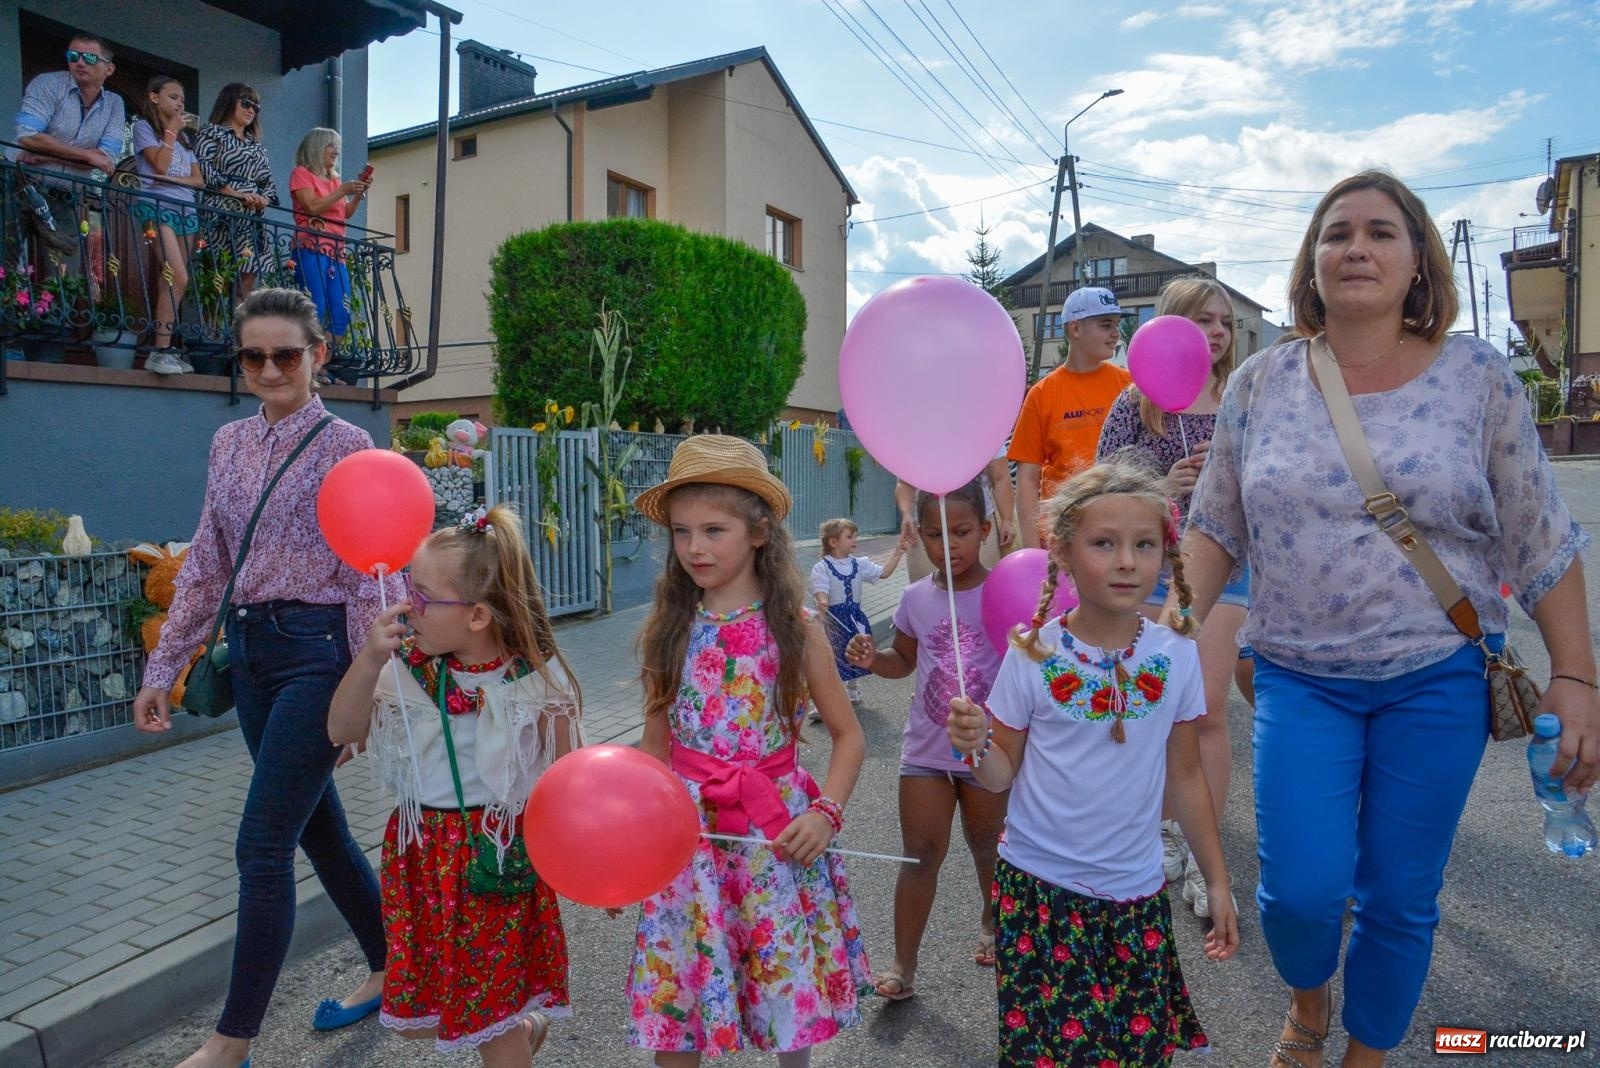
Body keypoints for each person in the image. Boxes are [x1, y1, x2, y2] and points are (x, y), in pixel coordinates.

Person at [1175, 169, 1599, 1068]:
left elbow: (1541, 536)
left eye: (1379, 232)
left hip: (1437, 675)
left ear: (1417, 264)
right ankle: (1308, 1008)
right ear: (1312, 262)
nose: (1356, 248)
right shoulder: (1260, 382)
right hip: (1297, 674)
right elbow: (1216, 525)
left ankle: (1367, 1052)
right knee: (1300, 892)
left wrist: (1576, 675)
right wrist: (1152, 639)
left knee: (1400, 895)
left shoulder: (1477, 377)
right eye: (1336, 234)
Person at [131, 288, 397, 1068]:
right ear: (241, 361)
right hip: (248, 656)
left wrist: (364, 699)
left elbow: (370, 577)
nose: (272, 368)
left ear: (319, 355)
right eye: (255, 355)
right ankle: (393, 967)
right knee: (321, 832)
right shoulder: (228, 445)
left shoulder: (349, 445)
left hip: (319, 656)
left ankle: (231, 1041)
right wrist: (165, 666)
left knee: (262, 844)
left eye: (288, 353)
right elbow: (208, 561)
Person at [947, 457, 1239, 1067]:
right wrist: (976, 747)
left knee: (1133, 1055)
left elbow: (1186, 778)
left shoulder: (1176, 654)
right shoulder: (1032, 655)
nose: (1127, 561)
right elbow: (1003, 773)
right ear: (1064, 552)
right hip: (1040, 893)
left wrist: (1217, 879)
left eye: (1144, 544)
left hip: (1136, 896)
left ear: (1167, 553)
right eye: (1104, 544)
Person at [628, 435, 872, 1065]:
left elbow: (849, 736)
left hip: (774, 834)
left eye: (714, 529)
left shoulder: (794, 625)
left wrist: (826, 813)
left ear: (759, 532)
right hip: (689, 841)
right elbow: (655, 747)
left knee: (784, 992)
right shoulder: (670, 631)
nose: (695, 548)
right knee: (680, 994)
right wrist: (630, 850)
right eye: (682, 533)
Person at [328, 504, 579, 1065]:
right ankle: (524, 1025)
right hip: (424, 856)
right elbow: (341, 729)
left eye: (422, 596)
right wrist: (369, 658)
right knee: (439, 1013)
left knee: (489, 1016)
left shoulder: (536, 680)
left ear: (477, 617)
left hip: (500, 854)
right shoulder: (408, 670)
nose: (406, 606)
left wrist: (592, 869)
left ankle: (514, 1032)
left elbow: (571, 784)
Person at [1095, 275, 1248, 919]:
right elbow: (1100, 492)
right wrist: (1164, 481)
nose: (1217, 332)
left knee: (1207, 707)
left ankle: (1203, 851)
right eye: (1204, 320)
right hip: (1148, 570)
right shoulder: (1136, 403)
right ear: (1173, 325)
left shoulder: (1246, 397)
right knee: (1153, 707)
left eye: (1226, 322)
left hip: (1227, 569)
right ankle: (1158, 830)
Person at [843, 478, 1008, 999]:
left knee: (989, 848)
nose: (948, 545)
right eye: (935, 535)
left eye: (961, 532)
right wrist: (874, 660)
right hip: (926, 751)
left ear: (984, 530)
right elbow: (904, 661)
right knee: (919, 853)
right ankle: (903, 965)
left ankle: (994, 922)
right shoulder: (914, 597)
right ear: (920, 536)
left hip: (989, 752)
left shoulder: (1006, 590)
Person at [1010, 286, 1132, 549]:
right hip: (1064, 535)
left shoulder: (1130, 385)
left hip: (1122, 530)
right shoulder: (1041, 394)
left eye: (1117, 325)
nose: (1116, 334)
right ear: (1075, 329)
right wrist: (1033, 550)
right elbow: (1027, 478)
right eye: (1106, 324)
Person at [9, 32, 124, 266]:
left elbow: (107, 157)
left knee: (65, 275)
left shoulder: (114, 104)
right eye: (73, 56)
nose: (80, 62)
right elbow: (28, 136)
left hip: (65, 197)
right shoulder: (48, 84)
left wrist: (46, 152)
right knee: (5, 263)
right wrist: (87, 155)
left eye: (90, 58)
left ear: (108, 69)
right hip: (19, 184)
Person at [131, 75, 205, 372]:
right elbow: (158, 164)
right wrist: (171, 131)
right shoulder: (143, 128)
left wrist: (171, 177)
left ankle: (163, 350)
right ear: (154, 97)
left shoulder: (187, 139)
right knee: (178, 276)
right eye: (173, 97)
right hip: (158, 207)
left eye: (182, 100)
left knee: (170, 280)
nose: (180, 104)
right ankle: (160, 350)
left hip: (186, 210)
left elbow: (198, 180)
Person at [810, 516, 909, 704]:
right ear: (833, 542)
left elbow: (884, 573)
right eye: (850, 537)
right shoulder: (821, 568)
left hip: (856, 618)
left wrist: (898, 552)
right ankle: (828, 701)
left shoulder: (859, 564)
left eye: (855, 536)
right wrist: (822, 602)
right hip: (833, 619)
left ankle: (853, 689)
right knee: (832, 657)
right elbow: (820, 591)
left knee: (856, 653)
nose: (855, 540)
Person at [289, 127, 368, 347]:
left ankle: (322, 364)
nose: (336, 151)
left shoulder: (334, 181)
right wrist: (342, 191)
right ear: (316, 147)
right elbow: (312, 206)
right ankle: (311, 365)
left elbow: (343, 213)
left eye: (338, 147)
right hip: (311, 248)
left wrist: (357, 196)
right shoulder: (301, 174)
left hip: (336, 252)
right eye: (331, 146)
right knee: (316, 306)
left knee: (341, 312)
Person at [195, 83, 275, 298]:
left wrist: (264, 199)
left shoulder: (256, 145)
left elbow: (267, 181)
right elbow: (202, 165)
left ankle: (237, 330)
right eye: (246, 103)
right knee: (217, 282)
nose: (251, 110)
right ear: (230, 101)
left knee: (246, 280)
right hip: (220, 212)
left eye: (256, 107)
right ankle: (213, 331)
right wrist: (229, 190)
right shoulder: (212, 132)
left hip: (251, 218)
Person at [895, 448, 1016, 581]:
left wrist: (1007, 520)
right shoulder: (912, 432)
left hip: (975, 522)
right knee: (928, 592)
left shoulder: (987, 428)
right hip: (927, 525)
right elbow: (904, 483)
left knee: (984, 590)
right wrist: (906, 513)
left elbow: (1000, 477)